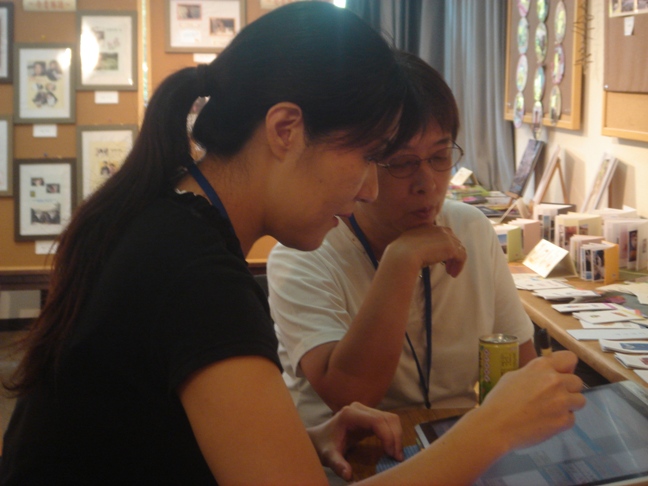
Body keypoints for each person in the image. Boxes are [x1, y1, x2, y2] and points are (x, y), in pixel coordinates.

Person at [0, 3, 584, 485]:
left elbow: (147, 435)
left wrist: (295, 438)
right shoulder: (192, 270)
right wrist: (492, 430)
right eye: (369, 157)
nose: (370, 188)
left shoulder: (166, 224)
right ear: (285, 130)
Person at [268, 51, 539, 429]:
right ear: (361, 162)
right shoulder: (304, 254)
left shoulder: (471, 228)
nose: (427, 183)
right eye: (401, 163)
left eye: (440, 156)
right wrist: (401, 260)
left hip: (456, 442)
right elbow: (348, 396)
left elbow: (522, 365)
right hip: (350, 452)